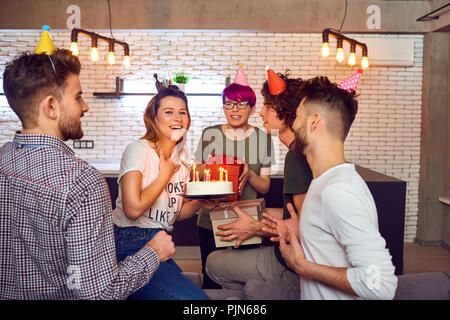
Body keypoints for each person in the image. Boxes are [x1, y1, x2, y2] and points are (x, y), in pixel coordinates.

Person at [0, 49, 175, 299]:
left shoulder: (3, 159)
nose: (85, 106)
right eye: (78, 96)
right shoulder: (81, 181)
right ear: (51, 106)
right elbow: (99, 293)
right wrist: (153, 252)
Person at [275, 75, 398, 299]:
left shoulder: (338, 191)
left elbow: (380, 284)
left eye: (297, 117)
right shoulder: (324, 182)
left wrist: (303, 267)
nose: (292, 124)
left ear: (314, 122)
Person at [205, 71, 313, 293]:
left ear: (286, 114)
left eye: (268, 108)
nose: (261, 113)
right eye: (229, 104)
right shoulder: (301, 152)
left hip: (290, 263)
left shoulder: (296, 157)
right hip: (225, 223)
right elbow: (294, 214)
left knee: (213, 264)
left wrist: (255, 226)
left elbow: (306, 226)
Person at [112, 85, 214, 299]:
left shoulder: (182, 156)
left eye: (182, 112)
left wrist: (199, 202)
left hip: (162, 241)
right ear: (153, 118)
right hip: (130, 242)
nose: (177, 118)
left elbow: (174, 214)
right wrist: (164, 175)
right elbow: (132, 209)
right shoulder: (138, 150)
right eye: (168, 112)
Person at [194, 65, 275, 289]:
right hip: (210, 220)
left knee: (245, 279)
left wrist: (248, 173)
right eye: (229, 103)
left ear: (252, 108)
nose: (234, 109)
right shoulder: (210, 134)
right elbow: (198, 178)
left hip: (247, 220)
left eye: (241, 104)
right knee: (210, 274)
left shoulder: (263, 139)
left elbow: (265, 187)